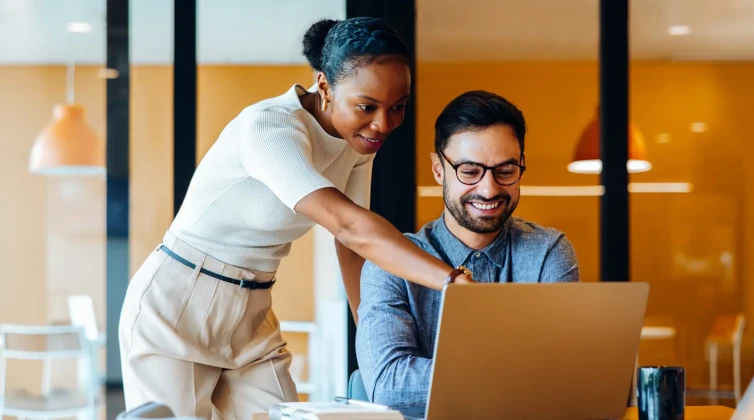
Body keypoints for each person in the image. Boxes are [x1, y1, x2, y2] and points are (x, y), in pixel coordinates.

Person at [118, 17, 475, 419]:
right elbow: (347, 226)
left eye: (398, 107)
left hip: (252, 310)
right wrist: (450, 281)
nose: (384, 123)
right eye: (367, 106)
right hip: (178, 303)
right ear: (324, 87)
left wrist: (370, 338)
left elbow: (352, 247)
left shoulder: (359, 144)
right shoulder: (269, 127)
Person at [355, 90, 581, 409]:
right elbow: (390, 386)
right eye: (470, 172)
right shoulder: (389, 263)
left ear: (522, 166)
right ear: (438, 169)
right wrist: (525, 374)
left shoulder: (548, 252)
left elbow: (570, 379)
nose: (489, 189)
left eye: (505, 171)